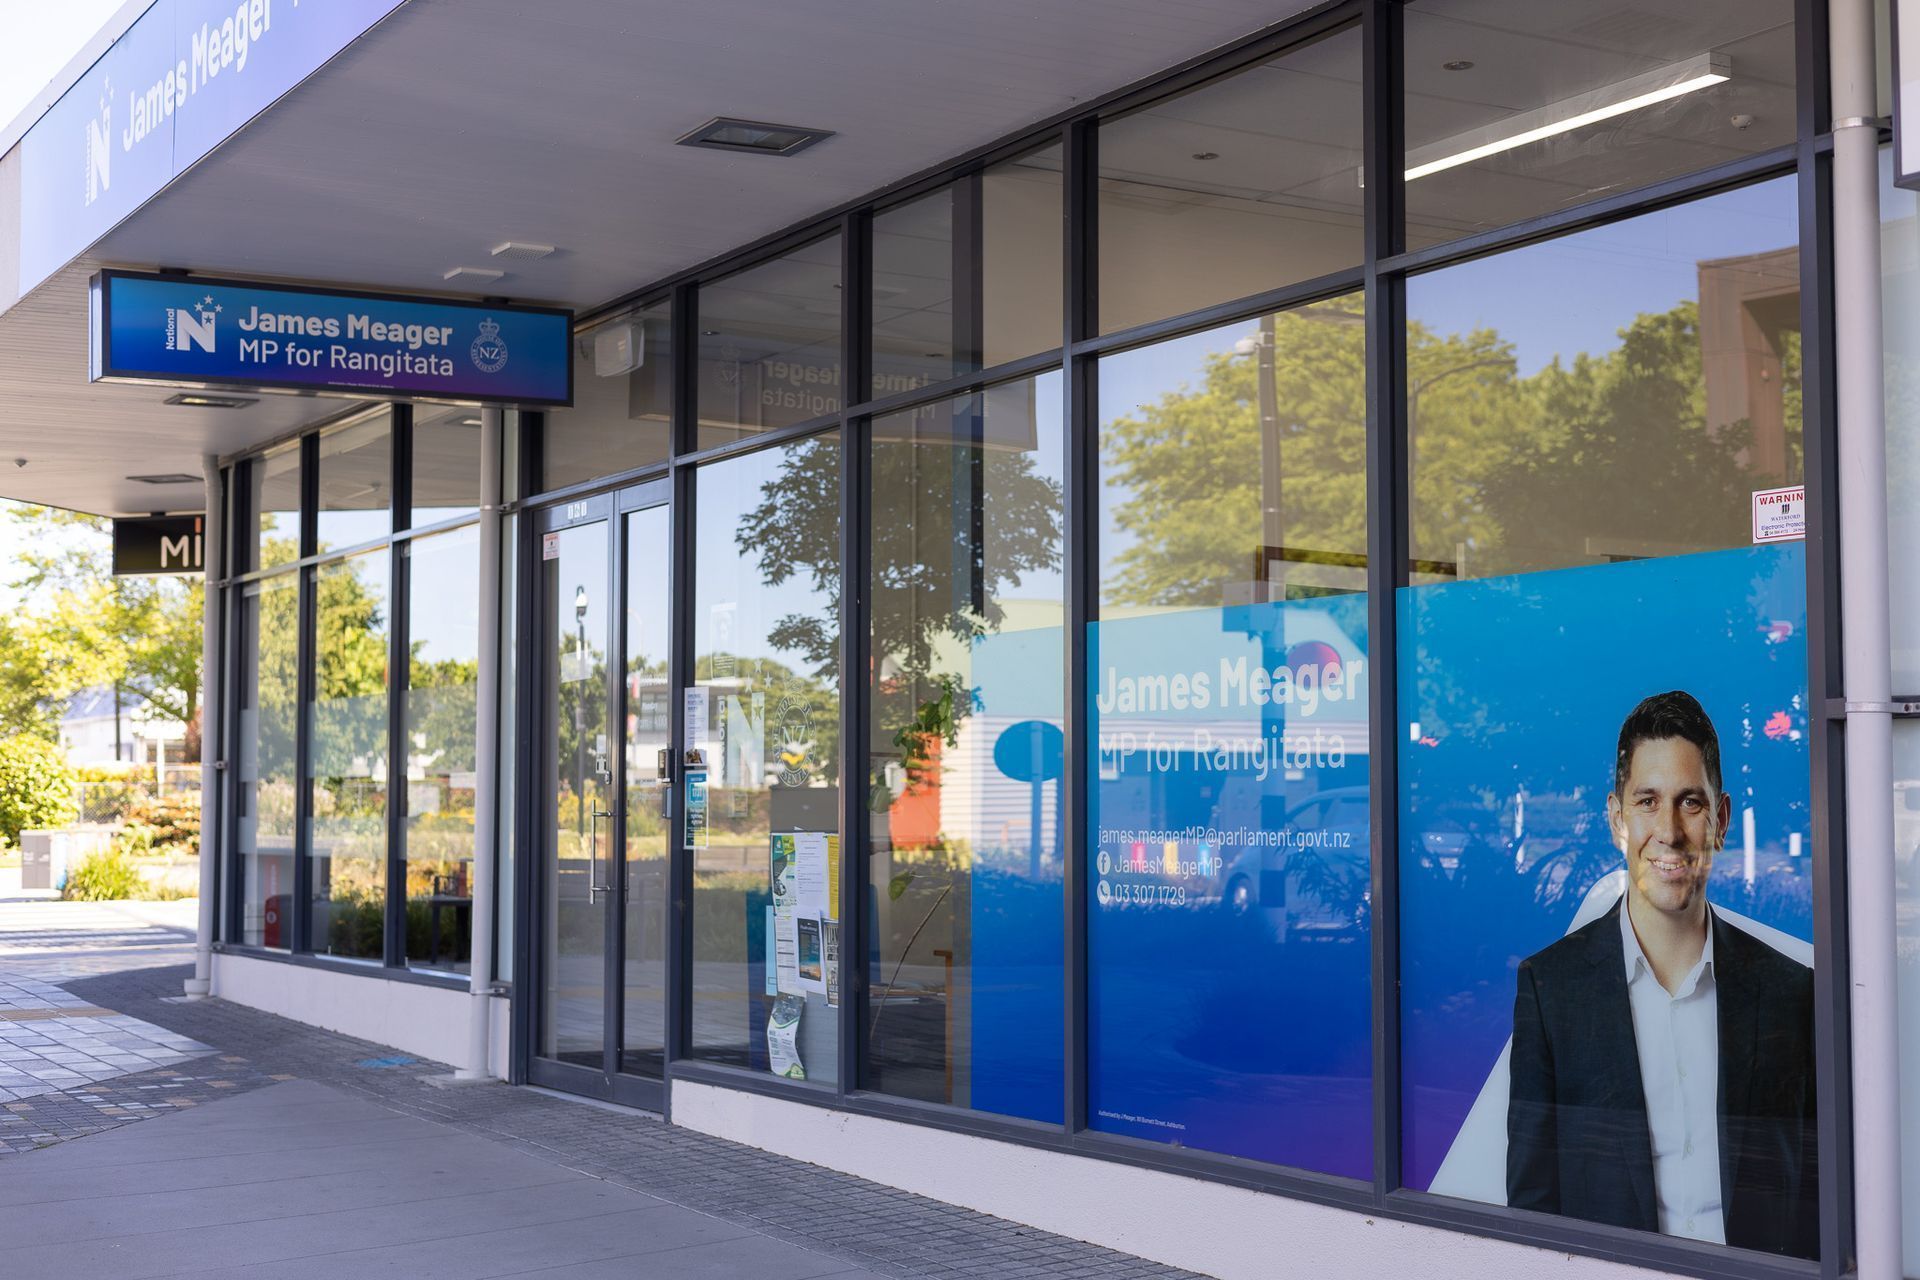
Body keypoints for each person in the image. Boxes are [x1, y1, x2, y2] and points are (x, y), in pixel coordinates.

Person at [1506, 690, 1817, 1259]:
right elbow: (1532, 1212)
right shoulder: (1552, 992)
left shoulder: (1791, 994)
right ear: (1617, 819)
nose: (1668, 831)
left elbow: (1816, 1202)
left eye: (1690, 802)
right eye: (1647, 801)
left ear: (1720, 820)